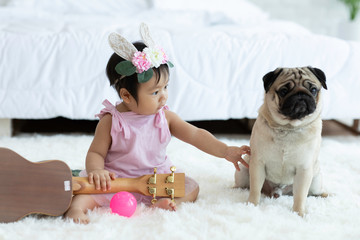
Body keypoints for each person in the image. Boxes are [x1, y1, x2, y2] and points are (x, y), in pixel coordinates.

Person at [65, 23, 250, 224]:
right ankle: (75, 211)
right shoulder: (111, 121)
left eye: (165, 87)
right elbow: (96, 153)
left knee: (191, 187)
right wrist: (97, 171)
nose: (163, 97)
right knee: (84, 195)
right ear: (126, 95)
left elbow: (196, 135)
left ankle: (166, 204)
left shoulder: (165, 117)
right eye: (155, 92)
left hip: (156, 179)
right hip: (117, 179)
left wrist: (225, 151)